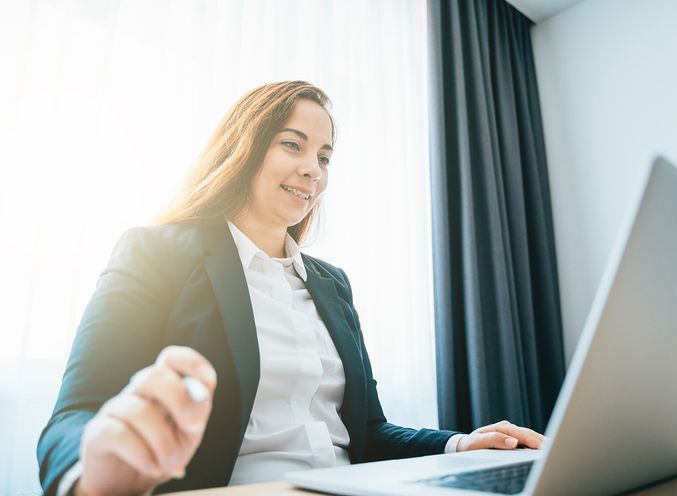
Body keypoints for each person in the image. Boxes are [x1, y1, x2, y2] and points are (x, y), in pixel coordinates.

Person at [37, 81, 544, 496]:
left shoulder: (332, 283)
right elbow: (74, 415)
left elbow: (366, 433)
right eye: (293, 144)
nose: (313, 170)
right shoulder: (158, 253)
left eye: (325, 156)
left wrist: (460, 445)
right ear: (246, 147)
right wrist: (91, 474)